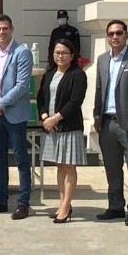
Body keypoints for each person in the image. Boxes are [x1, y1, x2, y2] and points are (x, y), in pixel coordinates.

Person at [92, 19, 128, 224]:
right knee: (111, 166)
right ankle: (115, 205)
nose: (115, 37)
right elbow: (99, 90)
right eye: (111, 34)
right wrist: (97, 116)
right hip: (107, 122)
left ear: (126, 35)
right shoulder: (102, 60)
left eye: (119, 33)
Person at [0, 14, 34, 219]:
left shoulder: (22, 53)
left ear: (12, 29)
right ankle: (1, 199)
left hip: (14, 115)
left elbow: (22, 86)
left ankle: (23, 203)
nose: (1, 32)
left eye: (5, 28)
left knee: (21, 159)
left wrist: (0, 105)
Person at [37, 38, 88, 223]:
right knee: (59, 165)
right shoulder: (49, 74)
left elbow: (75, 102)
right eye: (57, 52)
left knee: (68, 166)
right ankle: (62, 203)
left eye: (64, 53)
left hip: (68, 126)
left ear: (72, 55)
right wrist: (44, 117)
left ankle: (66, 207)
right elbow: (40, 98)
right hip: (50, 127)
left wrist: (55, 118)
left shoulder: (77, 74)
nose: (60, 56)